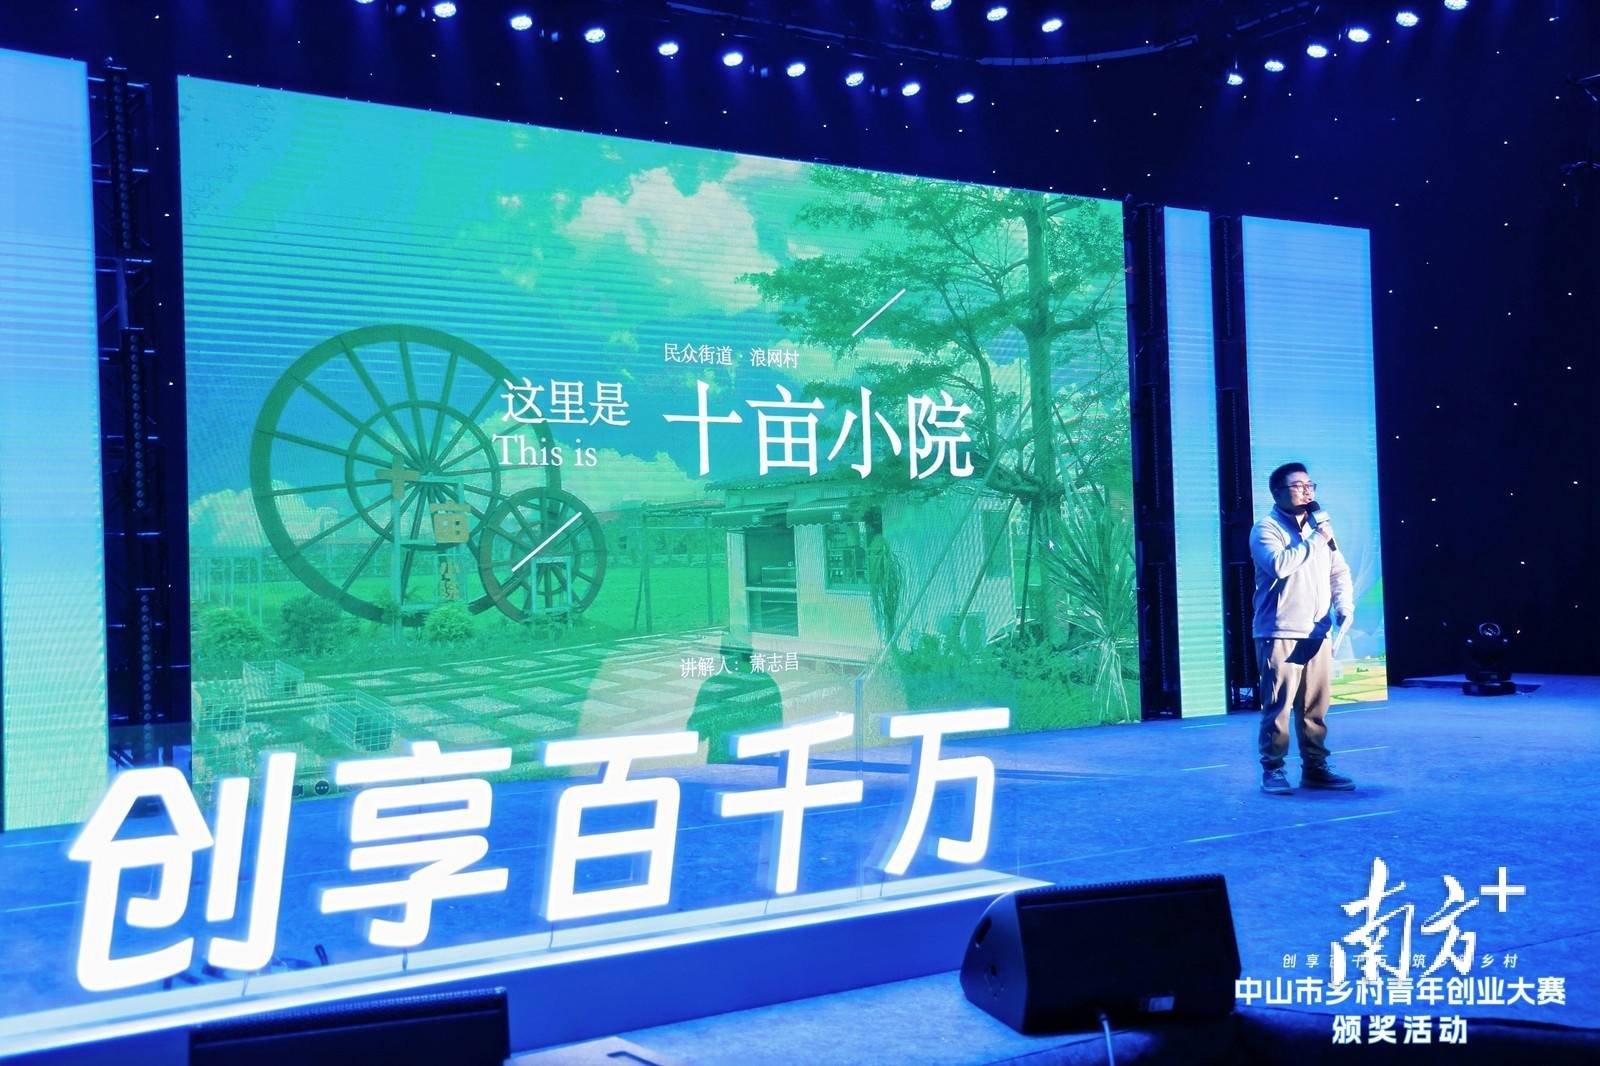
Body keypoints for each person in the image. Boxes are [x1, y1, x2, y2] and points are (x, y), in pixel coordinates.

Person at [1251, 462, 1356, 795]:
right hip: (1279, 631)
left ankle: (1315, 768)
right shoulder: (1265, 529)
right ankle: (1273, 768)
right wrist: (1316, 537)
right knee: (1278, 706)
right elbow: (1279, 565)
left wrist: (1344, 605)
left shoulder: (1319, 529)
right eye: (1298, 486)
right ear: (1277, 493)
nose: (1307, 491)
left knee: (1315, 708)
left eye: (1310, 485)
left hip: (1317, 631)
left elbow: (1338, 571)